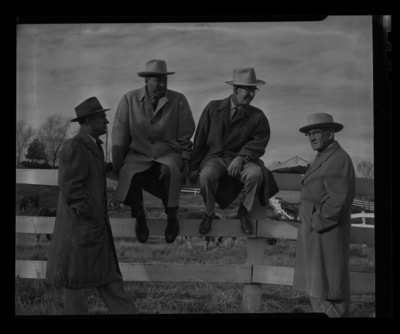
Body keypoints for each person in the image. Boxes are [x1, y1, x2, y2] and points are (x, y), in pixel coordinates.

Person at [46, 97, 137, 315]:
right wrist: (92, 213)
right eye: (102, 117)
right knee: (76, 292)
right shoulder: (74, 147)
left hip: (94, 233)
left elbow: (89, 172)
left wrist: (114, 166)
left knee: (112, 282)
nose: (106, 121)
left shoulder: (92, 147)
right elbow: (71, 187)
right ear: (88, 121)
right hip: (78, 236)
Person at [278, 113, 356, 317]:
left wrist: (314, 222)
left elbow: (338, 202)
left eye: (316, 133)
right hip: (316, 237)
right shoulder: (323, 156)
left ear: (330, 134)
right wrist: (281, 170)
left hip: (326, 235)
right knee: (318, 289)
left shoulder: (339, 159)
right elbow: (310, 170)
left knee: (330, 290)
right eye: (309, 134)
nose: (311, 137)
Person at [112, 59, 195, 244]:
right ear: (146, 81)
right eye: (157, 80)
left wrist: (186, 161)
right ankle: (139, 214)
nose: (162, 84)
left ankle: (172, 214)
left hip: (168, 154)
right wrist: (117, 163)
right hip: (138, 154)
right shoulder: (129, 99)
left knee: (170, 172)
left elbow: (186, 135)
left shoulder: (179, 100)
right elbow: (120, 133)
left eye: (164, 80)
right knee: (127, 173)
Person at [189, 67, 278, 236]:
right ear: (236, 89)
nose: (251, 94)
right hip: (215, 158)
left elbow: (260, 141)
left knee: (255, 175)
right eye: (248, 89)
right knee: (206, 175)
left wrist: (242, 156)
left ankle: (243, 211)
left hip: (244, 160)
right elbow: (200, 137)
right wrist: (194, 165)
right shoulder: (213, 108)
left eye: (254, 90)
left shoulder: (257, 116)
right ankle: (208, 214)